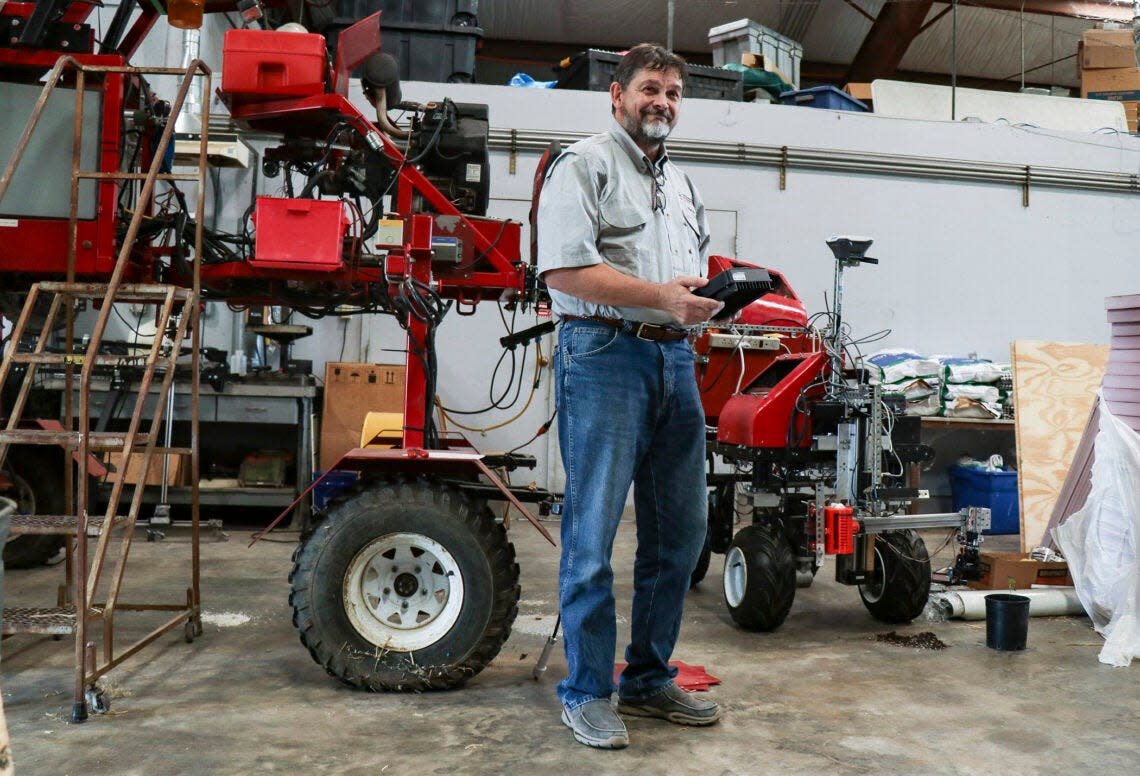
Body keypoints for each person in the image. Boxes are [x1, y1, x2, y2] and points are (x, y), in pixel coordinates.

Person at [536, 43, 725, 750]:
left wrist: (707, 300)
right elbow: (564, 271)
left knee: (680, 535)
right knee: (592, 540)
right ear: (616, 95)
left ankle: (646, 678)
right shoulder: (581, 165)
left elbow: (681, 277)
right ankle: (587, 691)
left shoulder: (680, 183)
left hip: (673, 362)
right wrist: (660, 298)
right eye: (651, 89)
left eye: (674, 93)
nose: (663, 103)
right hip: (604, 356)